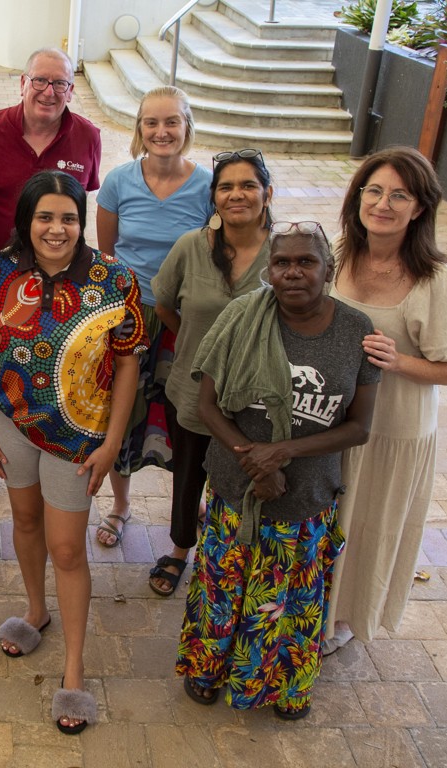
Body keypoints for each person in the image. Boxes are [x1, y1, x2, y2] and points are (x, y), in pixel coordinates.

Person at [176, 220, 379, 720]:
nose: (293, 272)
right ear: (269, 269)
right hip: (234, 485)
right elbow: (207, 406)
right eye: (282, 262)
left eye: (306, 262)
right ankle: (208, 669)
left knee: (289, 602)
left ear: (328, 270)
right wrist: (255, 459)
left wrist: (282, 452)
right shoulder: (244, 317)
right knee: (223, 587)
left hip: (306, 496)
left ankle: (285, 686)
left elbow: (358, 428)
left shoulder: (356, 331)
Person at [0, 171, 147, 734]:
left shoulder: (112, 279)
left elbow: (127, 363)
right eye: (45, 217)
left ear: (83, 220)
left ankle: (74, 672)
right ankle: (35, 611)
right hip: (10, 421)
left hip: (81, 437)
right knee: (24, 521)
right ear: (26, 220)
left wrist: (114, 443)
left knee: (68, 549)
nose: (57, 229)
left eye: (69, 217)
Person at [324, 147, 447, 653]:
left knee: (372, 526)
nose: (383, 203)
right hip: (334, 423)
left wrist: (397, 360)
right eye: (374, 190)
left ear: (419, 208)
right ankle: (314, 608)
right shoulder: (340, 254)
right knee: (330, 520)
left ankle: (345, 619)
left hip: (393, 431)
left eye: (399, 195)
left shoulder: (437, 279)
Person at [0, 46, 102, 507]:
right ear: (22, 83)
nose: (48, 91)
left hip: (63, 278)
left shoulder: (88, 136)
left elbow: (81, 201)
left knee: (42, 362)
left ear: (72, 90)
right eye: (39, 80)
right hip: (0, 276)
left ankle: (44, 449)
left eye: (59, 83)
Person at [148, 148, 275, 597]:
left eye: (247, 186)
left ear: (267, 194)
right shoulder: (191, 247)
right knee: (188, 475)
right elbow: (164, 304)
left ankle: (234, 550)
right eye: (226, 187)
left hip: (259, 398)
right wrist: (201, 350)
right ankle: (181, 547)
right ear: (214, 197)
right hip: (192, 388)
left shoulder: (286, 254)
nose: (236, 195)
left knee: (244, 475)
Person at [95, 86, 214, 548]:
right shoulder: (119, 181)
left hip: (187, 319)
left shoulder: (207, 187)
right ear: (139, 129)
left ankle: (188, 504)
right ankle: (121, 505)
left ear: (187, 127)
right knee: (123, 415)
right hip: (132, 315)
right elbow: (107, 255)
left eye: (172, 122)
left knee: (187, 414)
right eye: (151, 123)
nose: (161, 132)